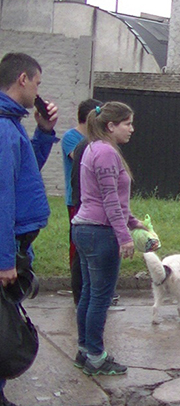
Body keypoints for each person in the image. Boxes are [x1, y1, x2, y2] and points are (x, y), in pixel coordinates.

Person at [0, 52, 59, 406]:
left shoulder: (13, 124)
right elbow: (2, 197)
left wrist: (43, 133)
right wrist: (4, 260)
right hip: (7, 249)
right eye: (37, 83)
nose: (39, 91)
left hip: (15, 245)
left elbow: (25, 176)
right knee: (1, 332)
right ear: (23, 79)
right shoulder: (3, 128)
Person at [71, 101, 145, 376]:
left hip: (87, 228)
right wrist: (124, 236)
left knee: (90, 294)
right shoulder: (104, 152)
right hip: (98, 232)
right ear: (111, 126)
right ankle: (97, 356)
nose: (132, 129)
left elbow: (114, 202)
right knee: (100, 297)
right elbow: (110, 201)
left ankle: (85, 350)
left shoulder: (96, 148)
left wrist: (134, 222)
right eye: (127, 123)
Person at [61, 99, 102, 305]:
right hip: (76, 199)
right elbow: (81, 158)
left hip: (93, 200)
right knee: (77, 246)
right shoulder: (72, 138)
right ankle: (78, 288)